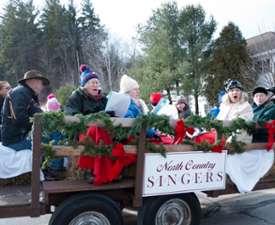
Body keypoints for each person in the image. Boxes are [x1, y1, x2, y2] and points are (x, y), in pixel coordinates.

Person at [1, 70, 49, 150]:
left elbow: (38, 112)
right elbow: (19, 118)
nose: (43, 86)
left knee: (51, 138)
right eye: (42, 83)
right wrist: (39, 123)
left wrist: (48, 118)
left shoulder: (27, 93)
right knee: (50, 147)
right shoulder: (20, 93)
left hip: (20, 137)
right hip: (14, 140)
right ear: (34, 82)